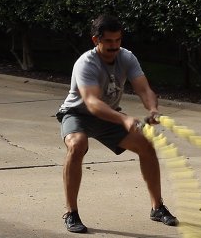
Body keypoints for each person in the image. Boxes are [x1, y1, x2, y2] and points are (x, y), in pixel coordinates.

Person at [56, 14, 178, 233]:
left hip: (108, 115)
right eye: (109, 41)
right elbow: (92, 103)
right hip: (78, 114)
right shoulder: (86, 63)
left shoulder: (127, 57)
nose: (114, 46)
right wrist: (124, 119)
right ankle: (71, 212)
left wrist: (152, 109)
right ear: (96, 40)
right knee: (77, 145)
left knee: (146, 145)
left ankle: (157, 207)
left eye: (118, 40)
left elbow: (143, 88)